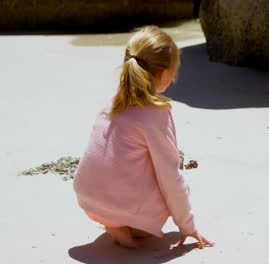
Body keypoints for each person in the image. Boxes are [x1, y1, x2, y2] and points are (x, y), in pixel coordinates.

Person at [73, 25, 214, 249]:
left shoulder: (113, 101)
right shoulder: (156, 114)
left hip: (89, 198)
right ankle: (132, 229)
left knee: (130, 165)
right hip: (122, 206)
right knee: (180, 187)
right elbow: (170, 176)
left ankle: (114, 224)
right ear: (164, 75)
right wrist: (187, 225)